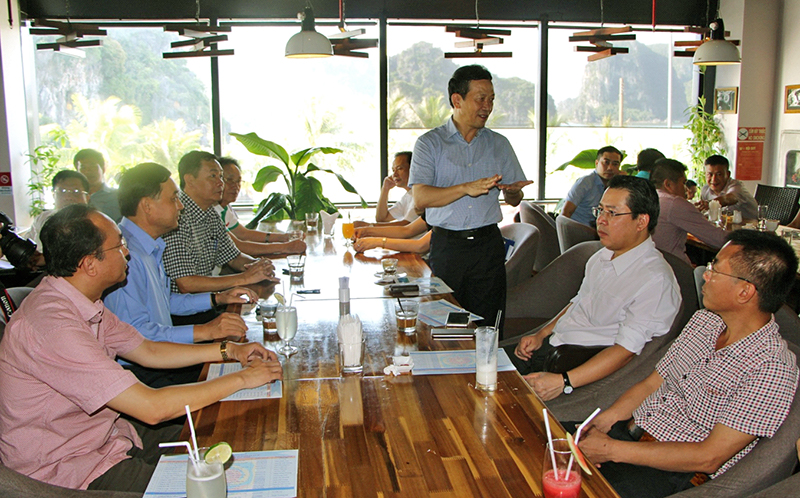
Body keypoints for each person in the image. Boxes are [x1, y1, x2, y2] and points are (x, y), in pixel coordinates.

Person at [0, 204, 283, 493]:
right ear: (89, 264)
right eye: (118, 245)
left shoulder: (80, 300)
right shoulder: (54, 327)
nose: (127, 252)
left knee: (236, 446)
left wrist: (229, 351)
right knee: (221, 486)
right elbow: (152, 408)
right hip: (70, 470)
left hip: (111, 437)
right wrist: (243, 378)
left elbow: (147, 350)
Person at [577, 230, 798, 498]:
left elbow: (709, 457)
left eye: (715, 268)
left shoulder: (771, 368)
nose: (705, 274)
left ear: (744, 292)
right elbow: (652, 384)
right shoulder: (705, 321)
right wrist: (604, 421)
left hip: (671, 472)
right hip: (629, 434)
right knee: (543, 446)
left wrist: (611, 450)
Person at [508, 175, 680, 401]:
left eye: (612, 213)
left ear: (641, 222)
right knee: (475, 368)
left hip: (574, 363)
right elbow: (578, 301)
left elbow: (625, 352)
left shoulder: (654, 280)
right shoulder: (601, 256)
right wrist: (541, 334)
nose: (601, 220)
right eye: (600, 210)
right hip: (553, 345)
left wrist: (563, 381)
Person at [105, 163, 260, 387]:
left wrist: (218, 298)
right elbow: (137, 335)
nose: (180, 206)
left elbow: (164, 301)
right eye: (173, 199)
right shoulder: (126, 254)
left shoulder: (150, 245)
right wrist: (205, 331)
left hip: (163, 356)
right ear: (147, 206)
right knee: (243, 378)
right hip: (140, 373)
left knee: (250, 365)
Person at [408, 64, 531, 334]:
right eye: (481, 99)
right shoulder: (430, 144)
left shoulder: (499, 144)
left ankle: (487, 363)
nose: (488, 107)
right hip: (447, 247)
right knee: (444, 325)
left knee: (488, 327)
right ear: (457, 100)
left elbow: (514, 199)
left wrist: (513, 191)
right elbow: (420, 198)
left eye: (491, 99)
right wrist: (465, 188)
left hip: (488, 246)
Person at [162, 150, 278, 295]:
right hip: (184, 306)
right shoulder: (177, 216)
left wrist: (257, 265)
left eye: (221, 176)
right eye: (213, 176)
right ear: (190, 180)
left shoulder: (210, 212)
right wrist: (245, 278)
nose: (220, 183)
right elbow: (186, 283)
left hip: (208, 299)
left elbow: (233, 257)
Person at [217, 157, 306, 256]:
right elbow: (238, 246)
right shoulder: (211, 211)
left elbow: (244, 234)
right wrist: (285, 247)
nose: (236, 186)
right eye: (229, 180)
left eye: (238, 181)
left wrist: (285, 237)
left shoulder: (225, 207)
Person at [650, 159, 727, 265]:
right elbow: (718, 240)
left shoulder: (651, 198)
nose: (686, 189)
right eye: (683, 183)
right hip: (673, 268)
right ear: (668, 184)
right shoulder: (674, 203)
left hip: (652, 265)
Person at [23, 169, 90, 248]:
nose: (68, 197)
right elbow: (26, 245)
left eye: (76, 191)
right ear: (53, 195)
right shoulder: (43, 218)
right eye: (62, 191)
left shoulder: (96, 223)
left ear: (87, 197)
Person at [354, 151, 419, 228]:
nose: (394, 174)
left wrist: (369, 226)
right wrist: (385, 189)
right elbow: (381, 218)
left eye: (399, 169)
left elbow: (407, 225)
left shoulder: (420, 195)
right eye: (393, 170)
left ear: (413, 169)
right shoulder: (407, 196)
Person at [562, 146, 623, 226]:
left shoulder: (616, 185)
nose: (610, 168)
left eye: (615, 164)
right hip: (578, 229)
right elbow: (565, 213)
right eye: (606, 162)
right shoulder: (585, 183)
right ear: (597, 163)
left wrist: (623, 182)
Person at [697, 155, 758, 219]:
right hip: (725, 224)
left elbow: (730, 198)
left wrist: (711, 204)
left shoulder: (736, 186)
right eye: (710, 174)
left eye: (719, 174)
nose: (713, 179)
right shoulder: (705, 189)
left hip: (750, 223)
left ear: (728, 174)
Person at [73, 148, 122, 222]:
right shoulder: (72, 197)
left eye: (93, 166)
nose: (88, 171)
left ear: (103, 169)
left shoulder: (118, 196)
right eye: (83, 167)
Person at [353, 216, 432, 254]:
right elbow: (406, 230)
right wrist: (366, 231)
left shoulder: (440, 210)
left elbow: (421, 246)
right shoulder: (433, 209)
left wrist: (377, 242)